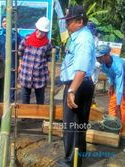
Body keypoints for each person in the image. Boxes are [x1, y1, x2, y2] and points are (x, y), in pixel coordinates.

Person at [59, 6, 95, 167]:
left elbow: (81, 69)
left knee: (71, 125)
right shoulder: (78, 36)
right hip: (79, 84)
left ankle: (70, 162)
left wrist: (72, 91)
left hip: (78, 85)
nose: (67, 25)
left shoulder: (83, 39)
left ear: (80, 22)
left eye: (69, 22)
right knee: (78, 123)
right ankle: (78, 157)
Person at [18, 17, 52, 105]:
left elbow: (49, 57)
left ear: (46, 33)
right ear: (36, 29)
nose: (39, 33)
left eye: (42, 32)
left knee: (40, 98)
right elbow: (20, 52)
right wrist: (20, 64)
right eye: (38, 30)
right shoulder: (27, 39)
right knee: (25, 96)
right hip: (26, 74)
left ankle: (39, 117)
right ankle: (25, 116)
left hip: (40, 76)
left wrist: (48, 68)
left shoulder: (47, 44)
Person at [96, 44, 125, 123]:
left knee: (122, 105)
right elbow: (110, 74)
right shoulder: (103, 64)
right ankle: (112, 123)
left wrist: (118, 105)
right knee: (113, 102)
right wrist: (111, 84)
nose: (98, 59)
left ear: (107, 55)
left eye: (100, 57)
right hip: (119, 81)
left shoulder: (118, 65)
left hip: (122, 81)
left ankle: (122, 128)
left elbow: (120, 85)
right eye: (97, 57)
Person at [0, 15, 22, 102]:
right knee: (0, 85)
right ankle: (1, 105)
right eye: (3, 21)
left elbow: (21, 50)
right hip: (0, 65)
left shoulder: (16, 36)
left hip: (12, 64)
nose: (5, 23)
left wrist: (20, 64)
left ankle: (10, 104)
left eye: (6, 21)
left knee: (11, 85)